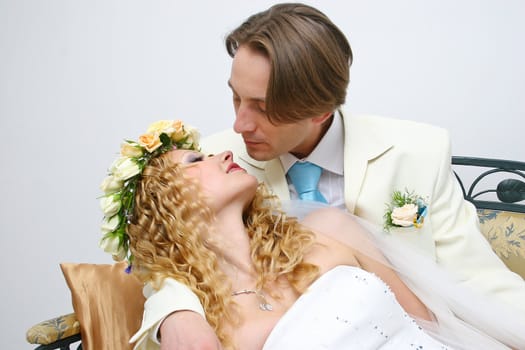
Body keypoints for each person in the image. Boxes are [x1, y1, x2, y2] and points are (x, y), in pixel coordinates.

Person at [151, 3, 525, 348]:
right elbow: (159, 246)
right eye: (236, 97)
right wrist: (176, 310)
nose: (240, 123)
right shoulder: (220, 164)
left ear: (320, 111)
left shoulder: (417, 151)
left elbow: (478, 279)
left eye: (263, 108)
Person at [98, 122, 524, 349]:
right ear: (165, 204)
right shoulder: (197, 322)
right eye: (197, 158)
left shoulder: (327, 228)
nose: (226, 150)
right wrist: (174, 310)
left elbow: (429, 326)